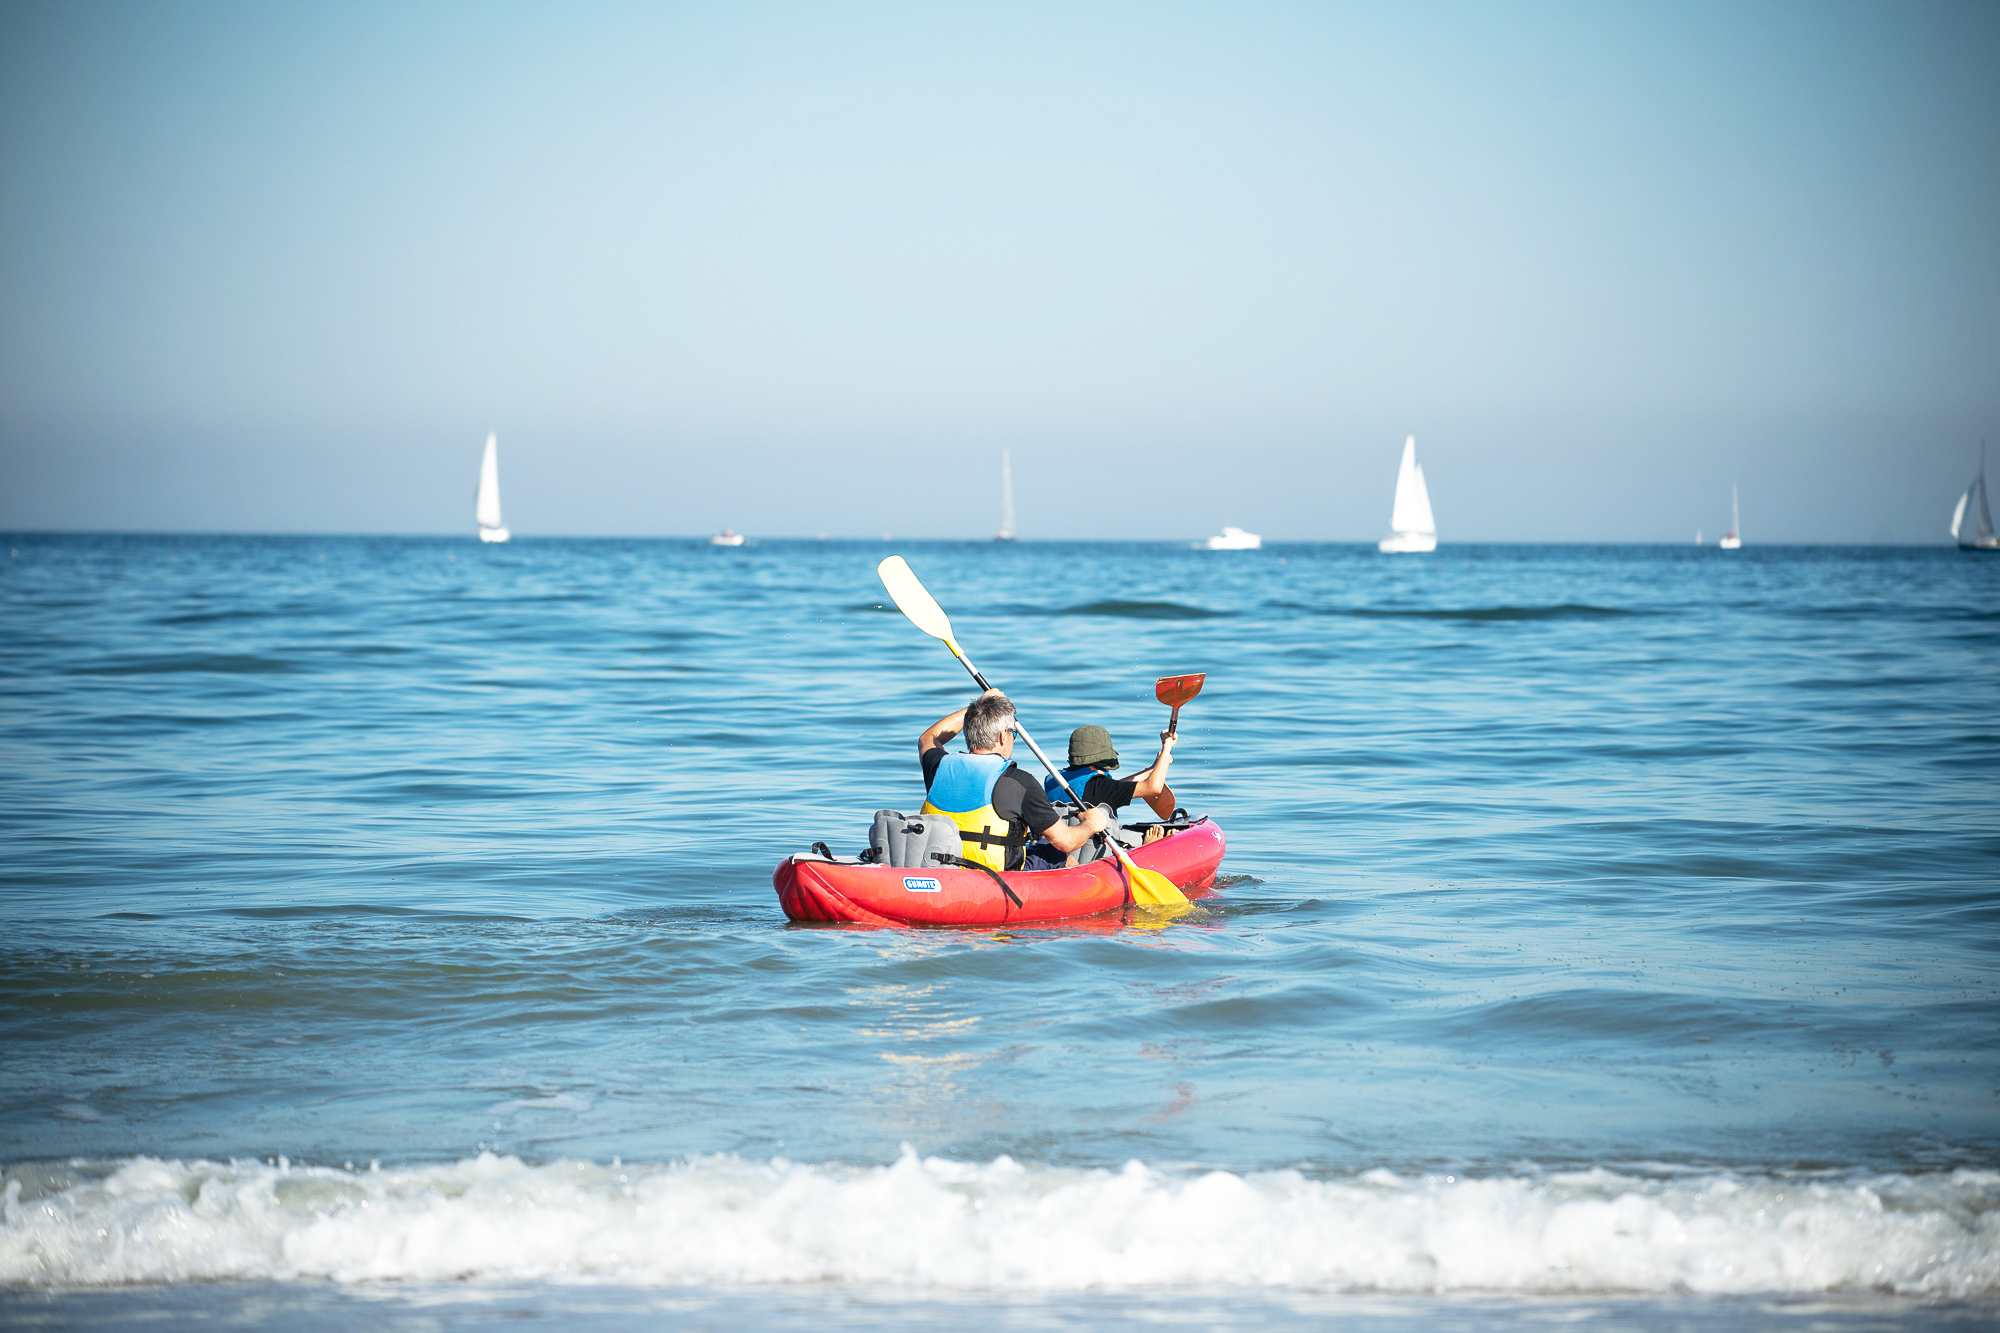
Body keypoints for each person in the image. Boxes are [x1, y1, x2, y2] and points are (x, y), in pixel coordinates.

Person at [918, 690, 1110, 872]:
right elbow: (1066, 841)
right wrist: (1090, 825)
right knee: (1057, 852)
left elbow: (928, 737)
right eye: (1013, 733)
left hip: (943, 870)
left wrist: (978, 709)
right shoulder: (1019, 782)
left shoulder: (937, 765)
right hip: (997, 880)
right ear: (1003, 736)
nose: (1012, 738)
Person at [1042, 724, 1179, 820]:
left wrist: (1154, 768)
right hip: (1095, 849)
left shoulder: (1057, 780)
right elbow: (1153, 788)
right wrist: (1166, 746)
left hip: (1062, 846)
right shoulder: (1101, 788)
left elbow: (1115, 788)